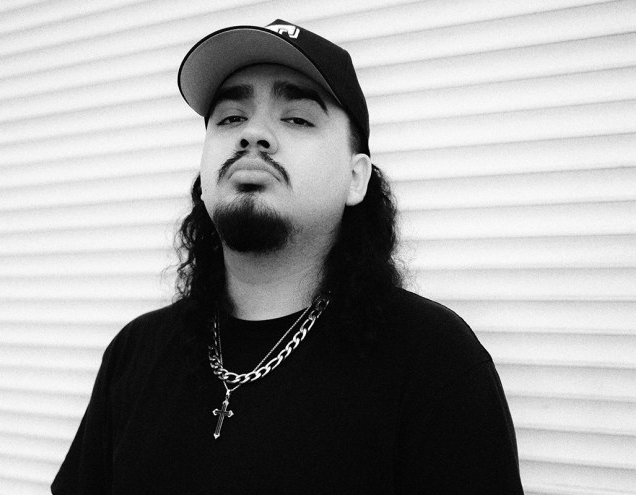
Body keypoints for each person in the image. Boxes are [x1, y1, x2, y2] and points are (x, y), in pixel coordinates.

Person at [52, 19, 524, 494]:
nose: (253, 134)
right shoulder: (134, 353)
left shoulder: (434, 362)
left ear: (355, 179)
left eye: (297, 118)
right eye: (230, 117)